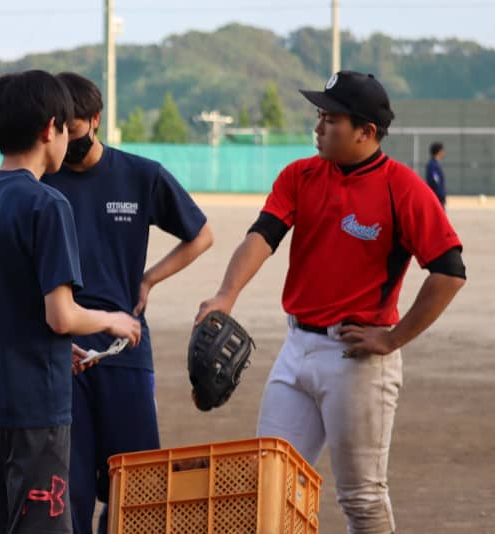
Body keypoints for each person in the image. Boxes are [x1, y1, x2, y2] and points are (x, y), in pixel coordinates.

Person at [196, 71, 466, 533]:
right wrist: (226, 294)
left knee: (360, 498)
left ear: (366, 132)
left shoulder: (402, 188)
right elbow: (262, 237)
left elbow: (449, 272)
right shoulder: (300, 176)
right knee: (270, 484)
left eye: (331, 118)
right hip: (295, 347)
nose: (319, 126)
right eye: (319, 115)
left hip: (356, 357)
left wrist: (395, 337)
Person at [0, 70, 141, 534]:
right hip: (35, 406)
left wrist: (45, 342)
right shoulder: (47, 205)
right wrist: (114, 319)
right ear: (50, 128)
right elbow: (62, 314)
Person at [41, 72, 214, 534]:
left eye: (74, 129)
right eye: (58, 129)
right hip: (62, 350)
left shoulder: (140, 175)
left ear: (95, 120)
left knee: (137, 484)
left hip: (125, 348)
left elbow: (201, 235)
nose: (65, 138)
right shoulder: (43, 183)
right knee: (70, 487)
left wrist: (150, 279)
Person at [425, 141, 447, 208]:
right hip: (436, 198)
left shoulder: (435, 164)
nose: (444, 153)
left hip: (437, 197)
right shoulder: (433, 165)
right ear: (439, 151)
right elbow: (435, 182)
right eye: (442, 150)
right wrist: (441, 196)